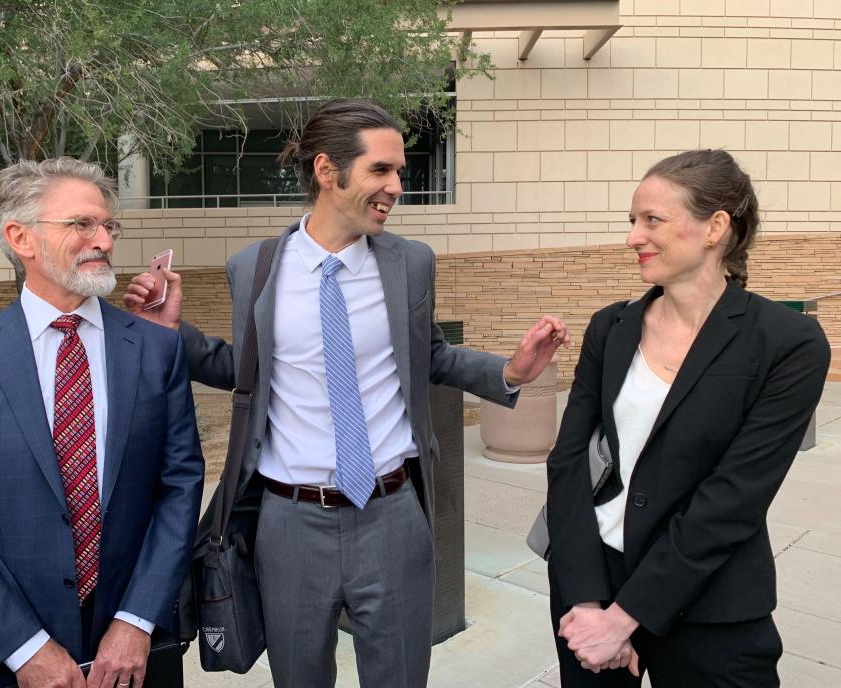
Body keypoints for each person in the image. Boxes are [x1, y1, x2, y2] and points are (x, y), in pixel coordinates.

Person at [124, 99, 570, 687]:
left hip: (391, 516)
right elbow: (245, 370)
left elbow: (429, 355)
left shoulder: (410, 264)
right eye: (381, 171)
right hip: (288, 524)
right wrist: (168, 336)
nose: (396, 187)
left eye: (401, 173)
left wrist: (509, 372)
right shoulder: (253, 268)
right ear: (328, 172)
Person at [0, 157, 204, 688]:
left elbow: (179, 488)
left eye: (108, 226)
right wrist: (24, 649)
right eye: (81, 225)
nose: (104, 241)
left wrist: (136, 622)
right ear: (20, 237)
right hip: (1, 658)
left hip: (135, 656)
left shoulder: (156, 350)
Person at [545, 149, 830, 687]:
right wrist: (585, 600)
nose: (633, 236)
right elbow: (567, 464)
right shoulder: (611, 327)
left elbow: (734, 498)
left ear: (715, 228)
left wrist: (625, 618)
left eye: (653, 220)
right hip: (591, 584)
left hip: (711, 604)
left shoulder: (787, 343)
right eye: (632, 221)